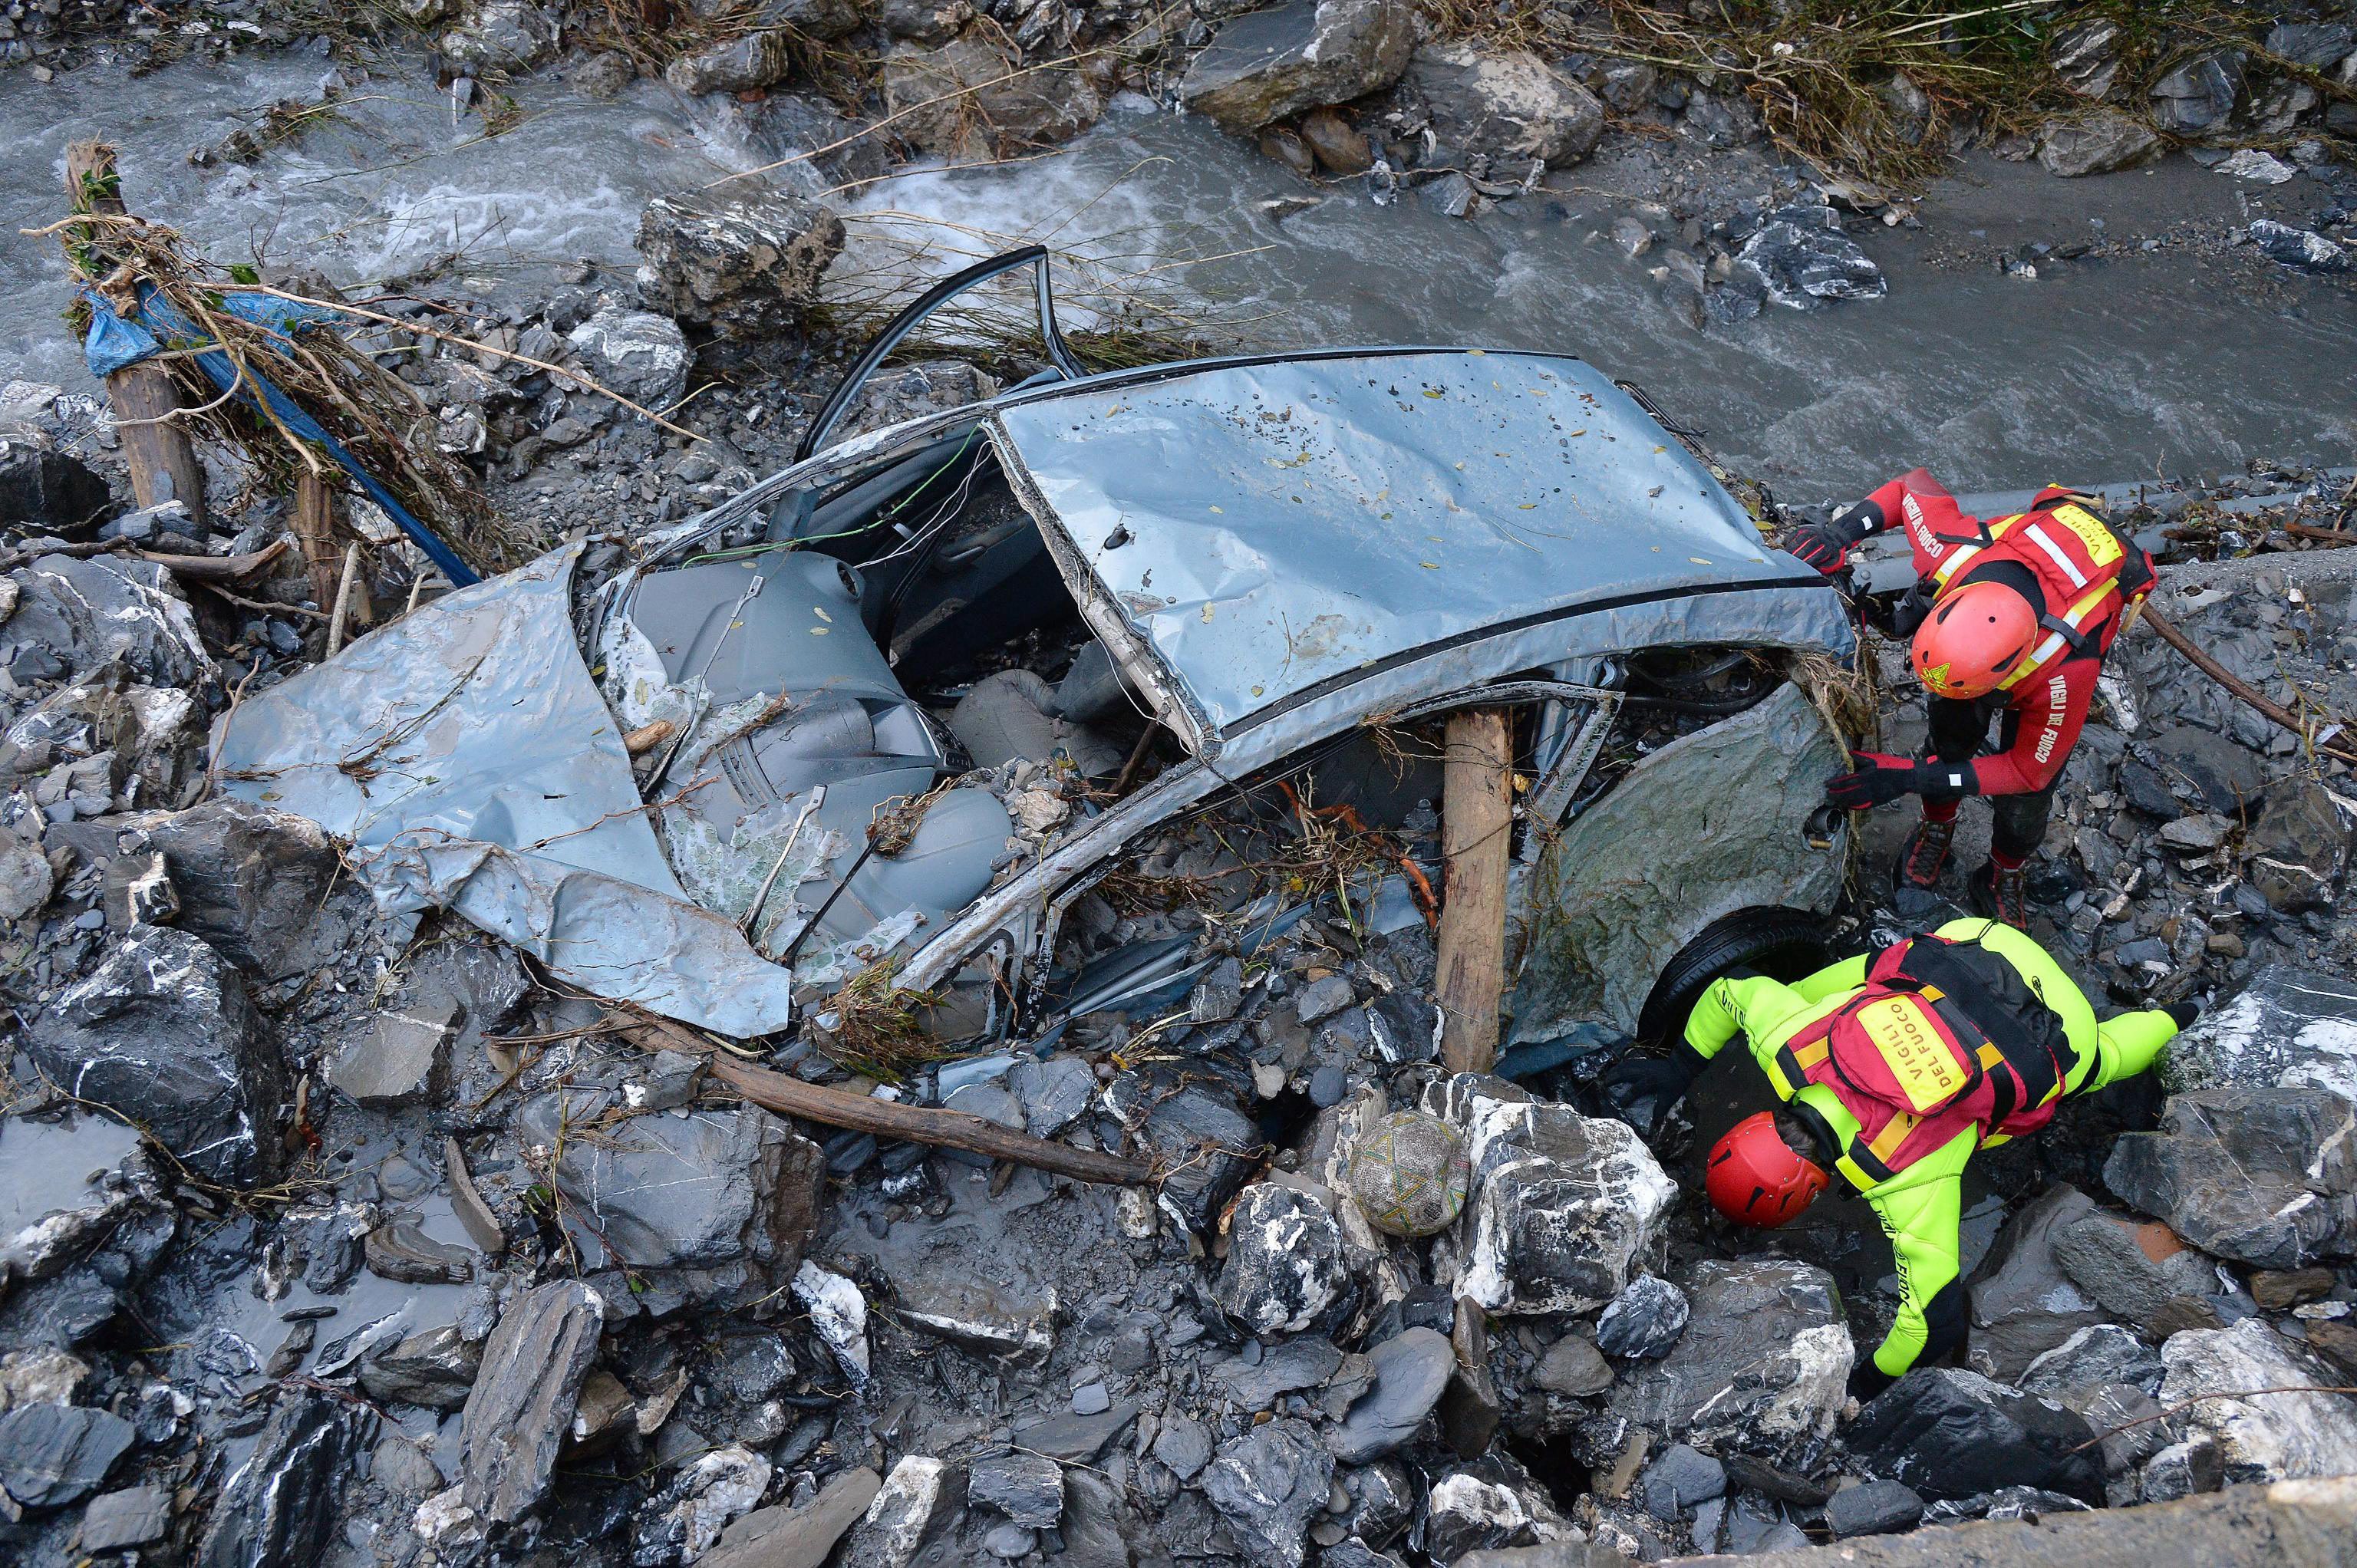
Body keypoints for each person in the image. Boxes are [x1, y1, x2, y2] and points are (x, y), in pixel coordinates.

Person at [1602, 918, 2190, 1399]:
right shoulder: (1787, 1043)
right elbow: (1732, 987)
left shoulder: (1910, 1180)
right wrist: (1679, 1066)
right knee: (1838, 994)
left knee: (2100, 1060)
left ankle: (2175, 1022)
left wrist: (1865, 1382)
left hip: (2059, 1023)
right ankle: (2181, 1015)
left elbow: (1930, 1322)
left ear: (1809, 1194)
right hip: (1975, 942)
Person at [1784, 471, 2156, 927]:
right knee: (1950, 738)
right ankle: (1937, 825)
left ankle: (2005, 872)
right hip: (2014, 592)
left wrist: (1909, 778)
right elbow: (1910, 488)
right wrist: (1839, 534)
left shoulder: (2067, 672)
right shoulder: (1949, 551)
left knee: (2025, 809)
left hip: (2067, 619)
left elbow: (2025, 770)